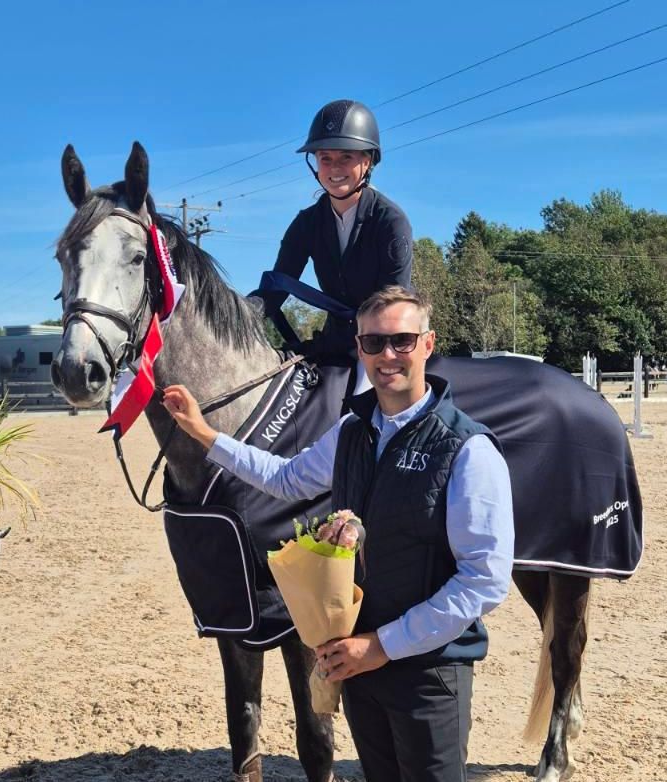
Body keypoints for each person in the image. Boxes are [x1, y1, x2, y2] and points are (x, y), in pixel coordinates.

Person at [163, 286, 514, 782]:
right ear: (359, 348)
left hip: (427, 671)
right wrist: (205, 434)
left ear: (429, 345)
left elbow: (484, 582)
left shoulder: (468, 450)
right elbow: (285, 478)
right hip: (359, 666)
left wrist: (383, 645)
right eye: (373, 343)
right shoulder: (353, 430)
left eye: (402, 341)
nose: (387, 355)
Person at [256, 99, 413, 375]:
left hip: (386, 345)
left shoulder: (391, 221)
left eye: (346, 158)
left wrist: (338, 343)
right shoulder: (306, 223)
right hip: (335, 343)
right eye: (325, 159)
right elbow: (276, 289)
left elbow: (391, 304)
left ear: (367, 161)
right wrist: (236, 314)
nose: (334, 168)